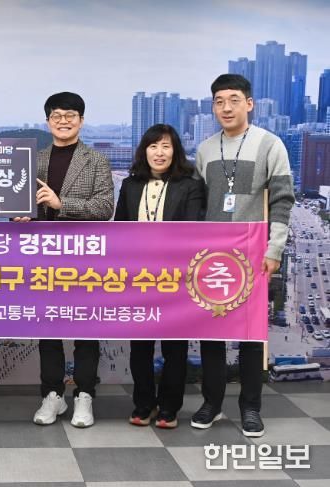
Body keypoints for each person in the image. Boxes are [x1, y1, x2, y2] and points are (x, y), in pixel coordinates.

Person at [192, 74, 294, 437]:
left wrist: (274, 248)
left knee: (251, 337)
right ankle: (212, 403)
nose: (226, 107)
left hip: (253, 257)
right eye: (219, 101)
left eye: (234, 100)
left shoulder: (270, 144)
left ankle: (251, 407)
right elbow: (197, 205)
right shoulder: (205, 149)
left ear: (249, 104)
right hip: (212, 259)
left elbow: (282, 200)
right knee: (212, 335)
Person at [30, 92, 114, 427]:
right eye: (56, 116)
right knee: (47, 330)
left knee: (85, 330)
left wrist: (60, 203)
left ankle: (84, 395)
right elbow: (22, 207)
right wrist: (20, 217)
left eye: (70, 115)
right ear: (47, 121)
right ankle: (52, 395)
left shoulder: (96, 161)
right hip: (43, 257)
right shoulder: (34, 160)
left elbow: (104, 208)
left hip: (83, 258)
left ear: (81, 120)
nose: (63, 121)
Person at [114, 123, 205, 428]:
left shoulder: (189, 186)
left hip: (175, 279)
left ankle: (169, 407)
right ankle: (143, 404)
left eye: (166, 146)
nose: (159, 152)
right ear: (144, 151)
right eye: (153, 146)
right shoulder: (130, 185)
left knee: (174, 348)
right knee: (139, 347)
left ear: (175, 151)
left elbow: (192, 232)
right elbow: (120, 229)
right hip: (138, 278)